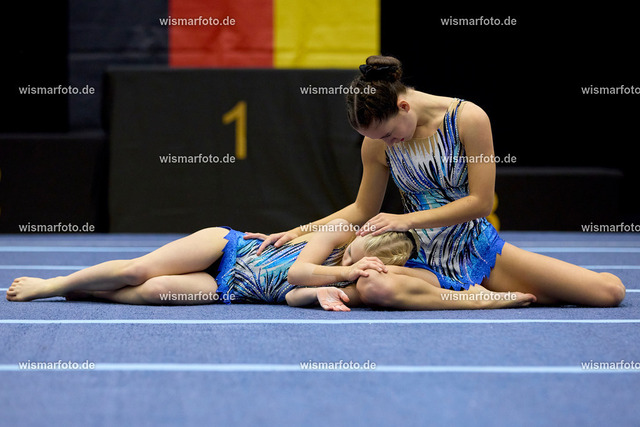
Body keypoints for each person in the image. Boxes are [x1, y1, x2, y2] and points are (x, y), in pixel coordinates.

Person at [246, 55, 626, 309]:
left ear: (404, 106)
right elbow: (361, 209)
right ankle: (476, 299)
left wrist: (405, 219)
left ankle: (485, 287)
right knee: (376, 287)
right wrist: (299, 231)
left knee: (609, 293)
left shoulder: (468, 119)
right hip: (417, 255)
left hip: (474, 246)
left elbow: (480, 202)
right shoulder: (376, 144)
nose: (387, 145)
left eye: (389, 135)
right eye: (377, 139)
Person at [5, 219, 536, 311]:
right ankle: (56, 284)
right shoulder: (338, 238)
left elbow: (295, 292)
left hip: (231, 289)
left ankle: (84, 292)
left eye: (366, 263)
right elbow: (301, 272)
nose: (357, 263)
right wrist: (344, 272)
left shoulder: (363, 276)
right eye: (359, 255)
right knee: (137, 271)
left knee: (156, 293)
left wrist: (323, 297)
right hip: (229, 250)